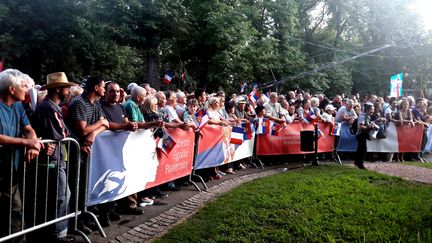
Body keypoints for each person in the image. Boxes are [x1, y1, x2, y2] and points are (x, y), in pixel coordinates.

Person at [0, 69, 43, 241]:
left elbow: (29, 129)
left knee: (14, 212)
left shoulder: (18, 105)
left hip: (10, 173)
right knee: (13, 212)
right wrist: (27, 143)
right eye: (24, 86)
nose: (27, 90)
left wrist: (33, 144)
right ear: (12, 89)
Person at [33, 72, 77, 242]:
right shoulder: (49, 108)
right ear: (58, 89)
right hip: (52, 161)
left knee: (63, 195)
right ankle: (56, 235)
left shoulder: (52, 106)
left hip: (57, 157)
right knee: (61, 196)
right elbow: (62, 133)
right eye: (66, 87)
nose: (68, 90)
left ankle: (59, 233)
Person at [67, 75, 110, 234]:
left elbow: (105, 125)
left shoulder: (96, 103)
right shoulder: (79, 103)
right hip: (75, 151)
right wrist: (99, 125)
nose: (104, 89)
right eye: (103, 86)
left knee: (84, 187)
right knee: (76, 188)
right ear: (95, 88)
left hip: (87, 149)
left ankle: (83, 219)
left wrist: (93, 134)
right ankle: (74, 224)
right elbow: (83, 129)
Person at [355, 103, 375, 169]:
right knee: (363, 150)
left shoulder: (367, 116)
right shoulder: (363, 116)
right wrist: (369, 127)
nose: (373, 110)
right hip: (360, 134)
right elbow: (360, 126)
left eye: (373, 109)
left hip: (361, 134)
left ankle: (357, 162)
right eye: (371, 109)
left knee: (360, 149)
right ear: (367, 110)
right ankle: (360, 165)